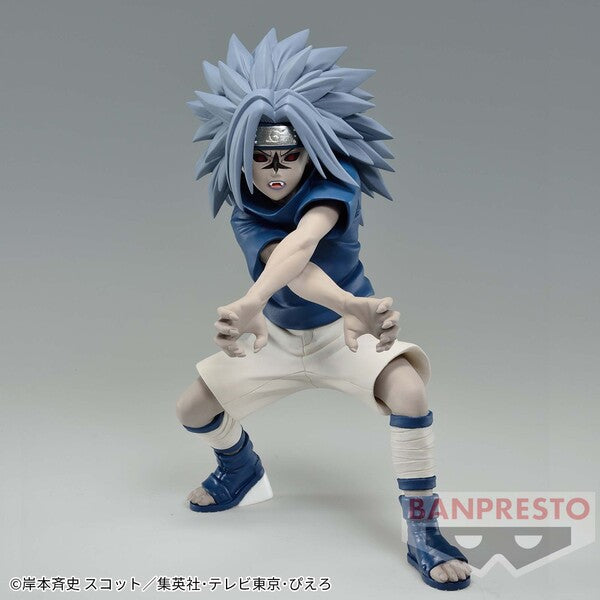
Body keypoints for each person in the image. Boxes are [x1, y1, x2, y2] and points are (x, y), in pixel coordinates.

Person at [177, 29, 471, 591]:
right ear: (241, 156)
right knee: (192, 409)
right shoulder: (245, 209)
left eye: (290, 155)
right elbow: (287, 262)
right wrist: (263, 306)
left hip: (347, 335)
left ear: (312, 151)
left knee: (409, 392)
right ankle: (240, 469)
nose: (276, 169)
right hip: (276, 338)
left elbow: (304, 242)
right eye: (261, 157)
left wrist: (327, 305)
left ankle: (424, 531)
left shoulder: (336, 185)